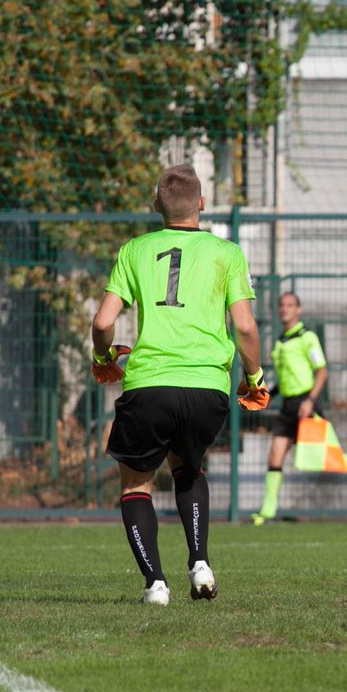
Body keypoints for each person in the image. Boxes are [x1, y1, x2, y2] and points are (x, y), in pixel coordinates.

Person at [91, 164, 269, 605]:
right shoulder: (226, 253)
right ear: (202, 204)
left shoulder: (134, 250)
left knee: (136, 485)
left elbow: (102, 322)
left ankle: (155, 584)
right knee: (188, 466)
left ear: (156, 206)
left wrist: (103, 359)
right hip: (208, 386)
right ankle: (200, 562)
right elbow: (245, 328)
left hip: (150, 383)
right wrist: (255, 380)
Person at [251, 292, 347, 527]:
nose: (284, 309)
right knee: (275, 455)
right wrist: (267, 395)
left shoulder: (308, 338)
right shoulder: (280, 341)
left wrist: (310, 401)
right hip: (288, 407)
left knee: (331, 459)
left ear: (299, 310)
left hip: (306, 405)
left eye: (289, 305)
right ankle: (267, 511)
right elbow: (285, 380)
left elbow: (322, 372)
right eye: (281, 305)